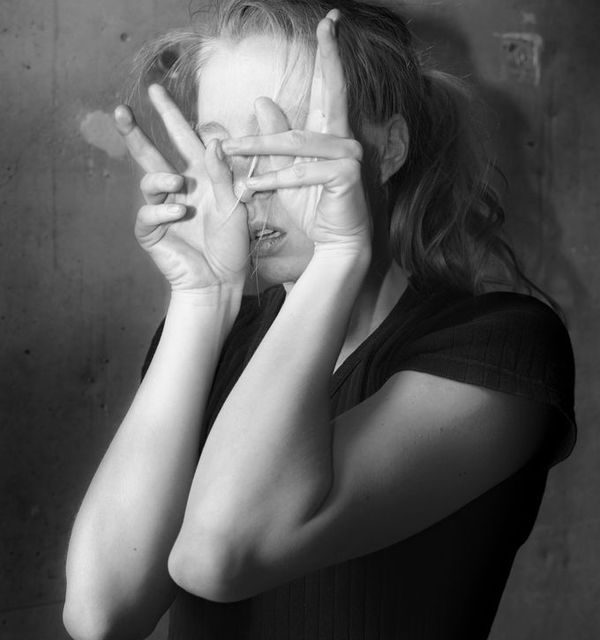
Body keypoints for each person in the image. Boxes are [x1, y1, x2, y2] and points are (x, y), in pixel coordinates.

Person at [63, 1, 576, 638]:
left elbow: (221, 554)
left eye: (284, 139)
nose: (247, 182)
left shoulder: (502, 347)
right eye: (222, 145)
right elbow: (101, 615)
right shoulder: (217, 334)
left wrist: (338, 256)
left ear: (386, 150)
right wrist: (202, 298)